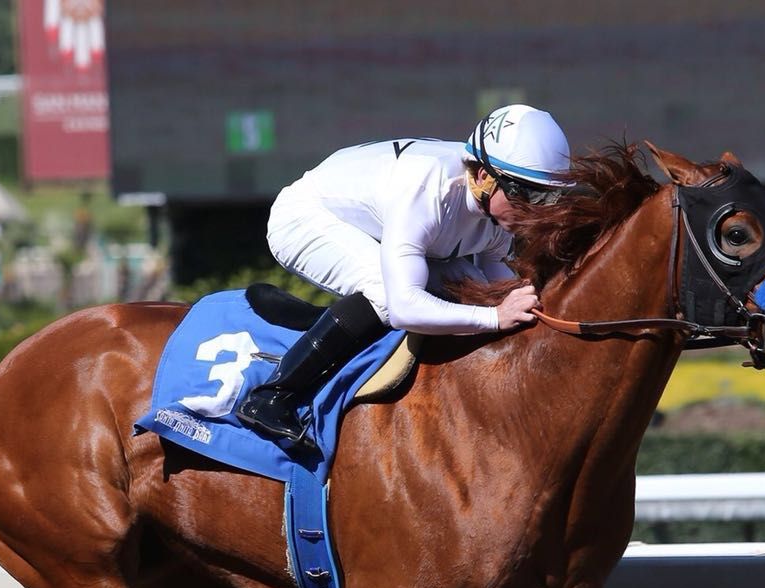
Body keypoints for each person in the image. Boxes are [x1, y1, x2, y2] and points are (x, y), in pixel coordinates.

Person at [235, 104, 574, 443]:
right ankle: (273, 396)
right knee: (384, 292)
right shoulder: (429, 191)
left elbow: (496, 289)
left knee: (469, 284)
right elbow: (404, 307)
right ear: (484, 177)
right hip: (306, 216)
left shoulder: (497, 212)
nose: (537, 211)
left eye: (548, 196)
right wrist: (497, 317)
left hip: (379, 224)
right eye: (526, 194)